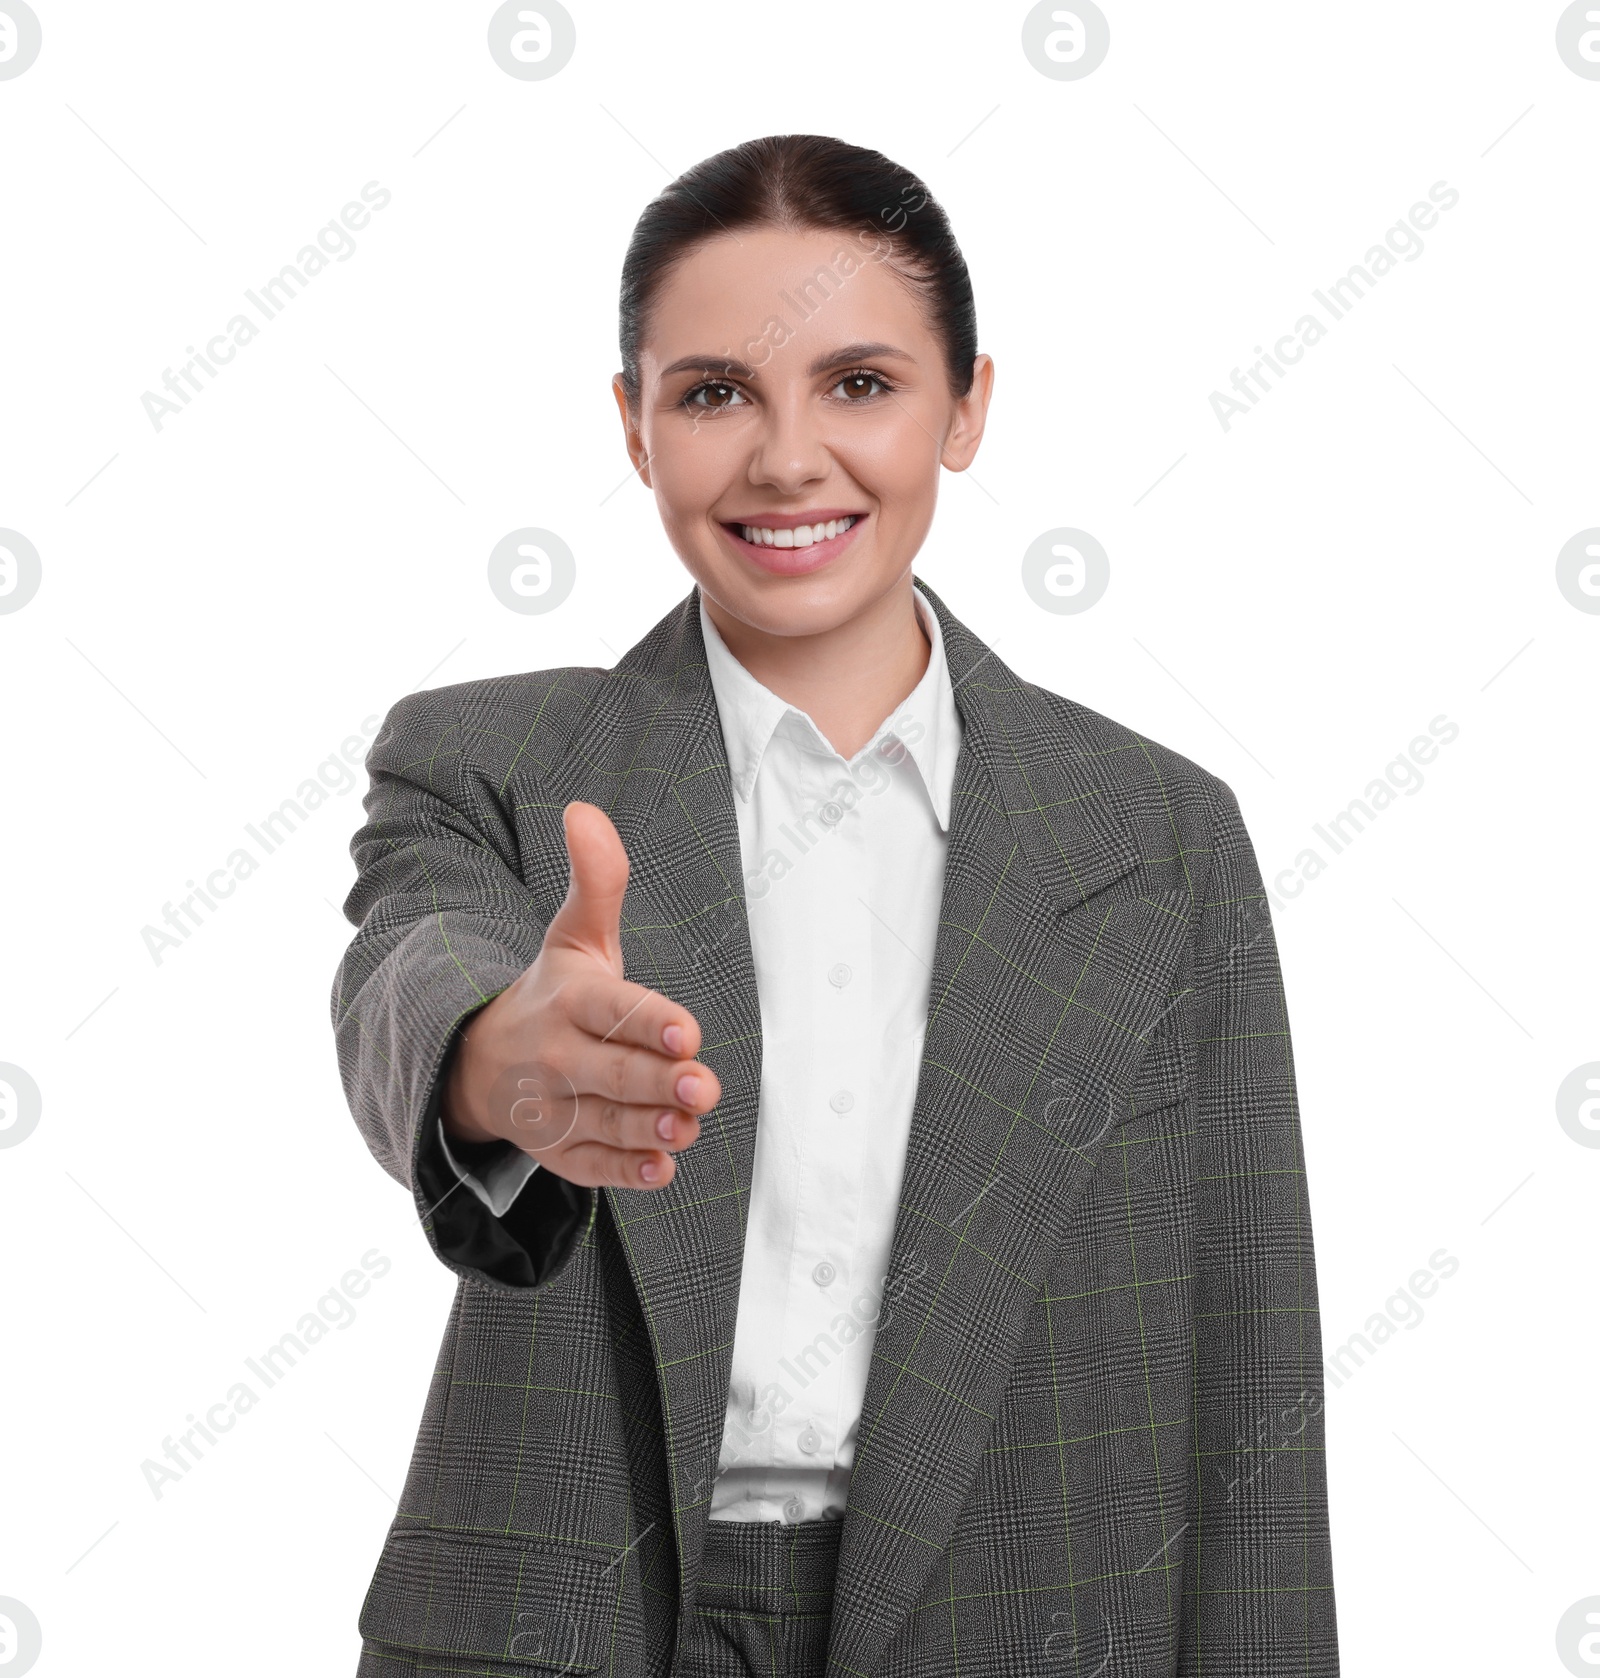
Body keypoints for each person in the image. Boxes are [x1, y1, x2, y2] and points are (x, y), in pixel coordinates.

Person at [332, 133, 1340, 1678]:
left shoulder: (1158, 835)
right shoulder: (495, 760)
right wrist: (494, 1054)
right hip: (575, 1628)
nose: (788, 457)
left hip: (1025, 1618)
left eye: (861, 384)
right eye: (715, 392)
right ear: (635, 426)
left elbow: (1249, 1366)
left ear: (967, 407)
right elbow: (417, 958)